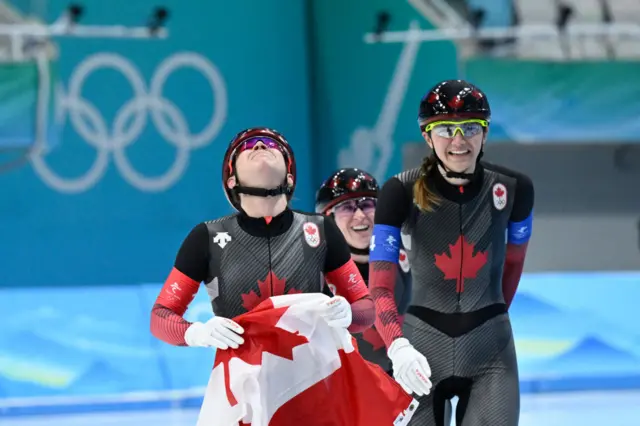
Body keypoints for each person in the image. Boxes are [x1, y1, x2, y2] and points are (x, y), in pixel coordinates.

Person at [369, 80, 534, 425]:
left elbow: (515, 264)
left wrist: (491, 319)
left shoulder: (516, 189)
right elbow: (381, 288)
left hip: (491, 351)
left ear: (485, 134)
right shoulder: (399, 191)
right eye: (445, 129)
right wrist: (398, 347)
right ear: (428, 137)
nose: (459, 141)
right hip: (420, 347)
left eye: (470, 128)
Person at [150, 127, 375, 351]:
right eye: (247, 146)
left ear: (289, 177)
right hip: (244, 380)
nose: (260, 145)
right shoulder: (206, 237)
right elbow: (161, 316)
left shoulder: (322, 229)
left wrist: (349, 314)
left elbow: (366, 308)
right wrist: (196, 333)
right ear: (231, 180)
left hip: (318, 377)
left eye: (273, 146)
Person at [315, 167, 412, 373]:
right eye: (347, 207)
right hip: (345, 386)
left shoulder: (409, 257)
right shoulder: (315, 271)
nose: (359, 215)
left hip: (405, 381)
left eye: (367, 205)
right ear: (328, 217)